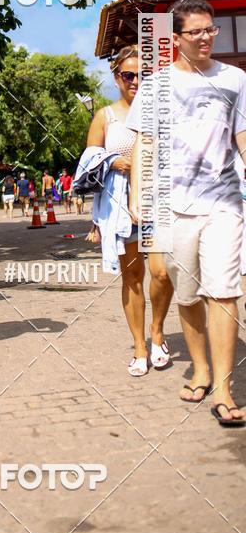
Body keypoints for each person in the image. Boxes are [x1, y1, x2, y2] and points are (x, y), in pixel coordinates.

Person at [129, 0, 246, 424]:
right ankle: (200, 368)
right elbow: (144, 142)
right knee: (188, 292)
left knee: (225, 290)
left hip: (224, 201)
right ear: (175, 38)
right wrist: (137, 195)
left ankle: (222, 389)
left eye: (211, 30)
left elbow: (243, 136)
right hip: (172, 204)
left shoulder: (235, 78)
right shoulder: (156, 85)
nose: (205, 37)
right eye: (195, 31)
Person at [81, 44, 173, 376]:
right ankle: (139, 346)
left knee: (162, 273)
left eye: (142, 74)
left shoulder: (162, 111)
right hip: (121, 207)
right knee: (133, 277)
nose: (135, 80)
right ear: (117, 76)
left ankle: (158, 329)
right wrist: (110, 160)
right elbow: (87, 164)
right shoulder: (105, 116)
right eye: (128, 74)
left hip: (160, 201)